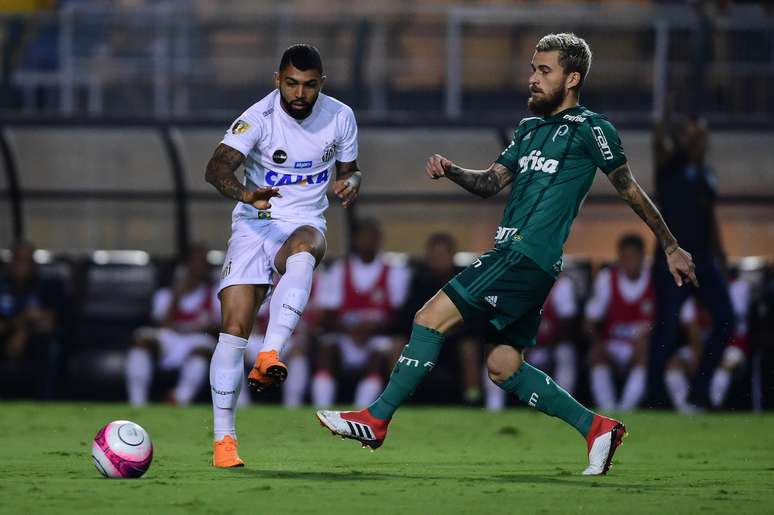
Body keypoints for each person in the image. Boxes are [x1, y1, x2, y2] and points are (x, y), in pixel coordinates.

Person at [316, 33, 697, 476]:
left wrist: (670, 244)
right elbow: (490, 182)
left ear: (572, 78)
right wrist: (453, 170)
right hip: (521, 259)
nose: (533, 78)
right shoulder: (528, 129)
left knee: (428, 318)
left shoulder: (591, 128)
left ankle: (376, 419)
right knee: (503, 366)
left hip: (523, 255)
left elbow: (629, 188)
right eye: (533, 69)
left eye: (545, 71)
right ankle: (597, 428)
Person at [204, 44, 361, 468]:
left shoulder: (341, 116)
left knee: (305, 248)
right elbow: (216, 168)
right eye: (291, 83)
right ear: (278, 80)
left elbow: (349, 171)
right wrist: (245, 194)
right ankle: (224, 441)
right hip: (254, 224)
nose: (299, 93)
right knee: (233, 330)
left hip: (303, 222)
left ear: (321, 84)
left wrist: (352, 182)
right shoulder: (258, 118)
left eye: (309, 85)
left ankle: (270, 353)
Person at [650, 106, 734, 407]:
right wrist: (664, 111)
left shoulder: (706, 173)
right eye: (692, 135)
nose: (698, 140)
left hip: (704, 261)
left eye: (702, 135)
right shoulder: (670, 165)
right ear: (683, 137)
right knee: (666, 329)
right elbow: (659, 141)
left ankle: (700, 389)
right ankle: (654, 395)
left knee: (726, 319)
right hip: (671, 260)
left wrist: (720, 253)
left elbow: (709, 217)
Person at [311, 219, 410, 408]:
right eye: (363, 237)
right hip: (345, 336)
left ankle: (361, 408)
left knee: (379, 355)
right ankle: (321, 407)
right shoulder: (339, 270)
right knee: (326, 349)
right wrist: (351, 331)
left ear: (379, 240)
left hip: (378, 337)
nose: (367, 242)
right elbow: (327, 315)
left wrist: (372, 329)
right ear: (355, 240)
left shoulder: (395, 271)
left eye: (372, 237)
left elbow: (399, 314)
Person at [398, 233, 486, 407]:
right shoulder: (419, 280)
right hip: (426, 338)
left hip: (458, 338)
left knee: (469, 348)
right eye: (434, 255)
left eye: (442, 255)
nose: (438, 260)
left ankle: (473, 398)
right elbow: (408, 315)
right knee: (398, 345)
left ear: (452, 255)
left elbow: (476, 316)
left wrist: (453, 329)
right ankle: (401, 397)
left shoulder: (466, 279)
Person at [125, 245, 218, 406]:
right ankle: (137, 403)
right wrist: (177, 296)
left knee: (202, 351)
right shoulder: (165, 294)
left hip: (197, 339)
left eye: (202, 263)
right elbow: (163, 324)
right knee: (142, 341)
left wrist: (197, 328)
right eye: (194, 262)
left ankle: (179, 398)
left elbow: (220, 325)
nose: (197, 267)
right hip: (170, 338)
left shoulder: (215, 293)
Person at [584, 234, 652, 411]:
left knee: (647, 356)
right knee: (596, 356)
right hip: (612, 345)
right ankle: (608, 410)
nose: (629, 262)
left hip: (640, 346)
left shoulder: (654, 279)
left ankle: (626, 410)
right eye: (625, 257)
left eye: (633, 257)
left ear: (642, 256)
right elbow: (589, 322)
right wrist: (598, 344)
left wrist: (648, 340)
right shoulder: (607, 278)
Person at [0, 242, 68, 399]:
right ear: (10, 262)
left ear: (34, 264)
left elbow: (51, 319)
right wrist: (18, 325)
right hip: (5, 338)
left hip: (34, 340)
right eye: (18, 259)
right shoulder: (2, 286)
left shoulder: (47, 286)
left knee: (45, 339)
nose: (21, 265)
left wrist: (24, 330)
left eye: (26, 260)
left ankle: (44, 400)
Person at [663, 297, 704, 414]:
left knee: (726, 364)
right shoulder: (689, 301)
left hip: (724, 348)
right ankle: (685, 409)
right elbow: (692, 330)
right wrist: (697, 356)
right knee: (673, 365)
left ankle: (712, 406)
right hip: (697, 349)